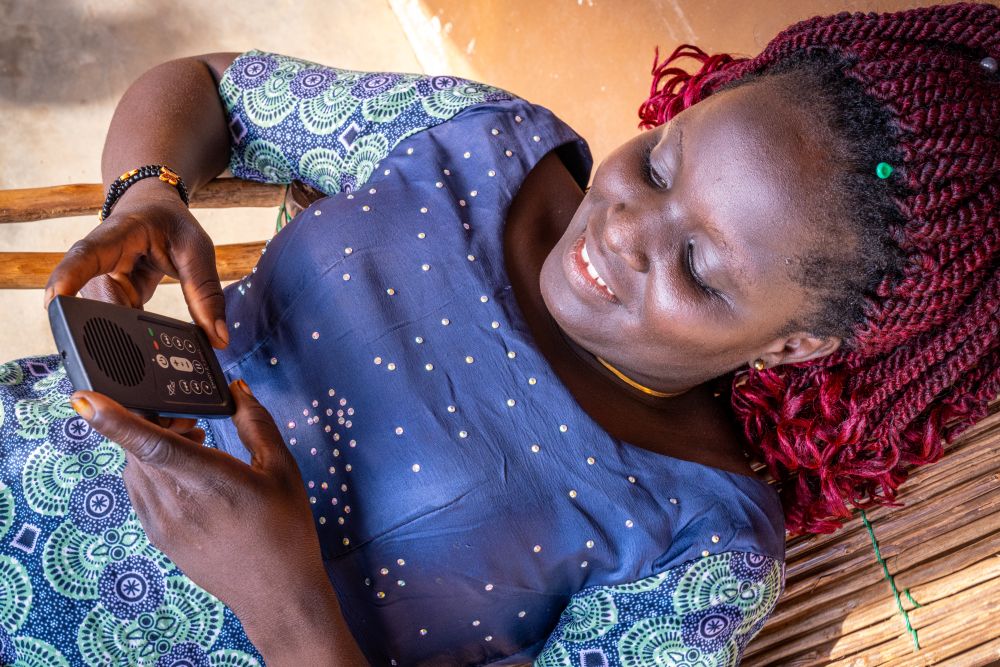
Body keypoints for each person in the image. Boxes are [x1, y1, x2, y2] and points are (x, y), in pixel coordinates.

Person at [0, 1, 994, 665]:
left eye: (698, 265)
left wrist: (286, 605)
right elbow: (208, 88)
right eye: (659, 165)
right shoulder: (473, 144)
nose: (625, 229)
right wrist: (148, 194)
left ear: (795, 345)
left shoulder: (698, 550)